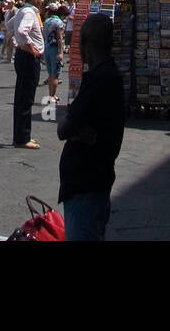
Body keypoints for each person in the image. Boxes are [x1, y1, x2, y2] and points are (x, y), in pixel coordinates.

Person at [57, 14, 124, 241]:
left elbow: (64, 129)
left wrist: (73, 125)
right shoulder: (107, 75)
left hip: (86, 185)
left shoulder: (100, 79)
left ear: (86, 43)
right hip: (92, 183)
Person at [12, 0, 44, 149]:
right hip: (28, 58)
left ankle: (20, 136)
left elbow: (10, 26)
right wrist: (31, 48)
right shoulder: (29, 12)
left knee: (21, 97)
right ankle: (23, 138)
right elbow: (21, 31)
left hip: (22, 56)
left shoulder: (22, 11)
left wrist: (20, 43)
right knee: (26, 98)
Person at [43, 3, 65, 101]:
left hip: (47, 48)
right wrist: (61, 52)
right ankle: (52, 96)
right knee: (55, 74)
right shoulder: (59, 22)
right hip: (55, 49)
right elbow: (59, 38)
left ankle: (51, 95)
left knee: (50, 74)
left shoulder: (46, 21)